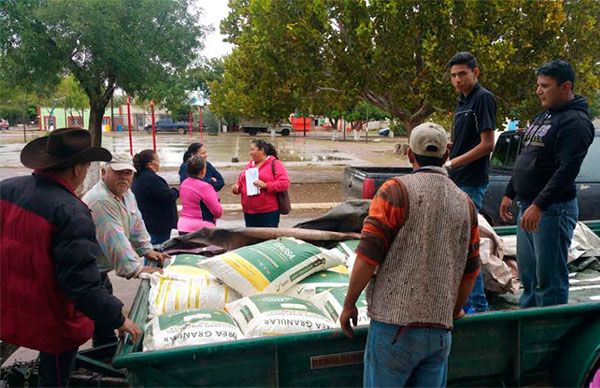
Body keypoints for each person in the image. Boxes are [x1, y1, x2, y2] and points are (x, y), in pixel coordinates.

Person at [340, 122, 481, 388]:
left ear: (409, 154)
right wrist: (451, 311)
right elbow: (471, 270)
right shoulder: (466, 203)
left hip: (394, 328)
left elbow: (368, 257)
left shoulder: (394, 191)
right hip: (439, 335)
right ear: (447, 154)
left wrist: (349, 304)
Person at [0, 128, 141, 387]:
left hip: (10, 303)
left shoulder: (6, 189)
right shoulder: (71, 211)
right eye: (86, 167)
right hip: (51, 315)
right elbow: (80, 283)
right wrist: (118, 319)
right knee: (54, 377)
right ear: (77, 169)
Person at [500, 60, 594, 308]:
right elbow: (527, 157)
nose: (538, 91)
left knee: (548, 280)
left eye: (545, 86)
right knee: (528, 278)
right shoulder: (544, 116)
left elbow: (567, 170)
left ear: (565, 87)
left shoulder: (575, 122)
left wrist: (539, 205)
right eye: (538, 85)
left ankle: (548, 336)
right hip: (528, 206)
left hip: (552, 211)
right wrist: (510, 193)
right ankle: (529, 328)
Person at [82, 153, 168, 346]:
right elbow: (115, 238)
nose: (124, 177)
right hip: (87, 271)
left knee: (105, 316)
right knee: (102, 313)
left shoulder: (126, 194)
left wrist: (147, 249)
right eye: (119, 172)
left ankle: (105, 351)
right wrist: (136, 269)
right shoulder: (101, 200)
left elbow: (136, 222)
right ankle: (102, 357)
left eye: (128, 173)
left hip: (100, 271)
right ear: (104, 172)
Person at [445, 51, 496, 313]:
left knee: (467, 247)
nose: (457, 80)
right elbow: (468, 141)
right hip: (456, 180)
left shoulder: (482, 99)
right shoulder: (461, 101)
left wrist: (453, 163)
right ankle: (466, 302)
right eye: (453, 75)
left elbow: (487, 144)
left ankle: (477, 307)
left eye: (462, 74)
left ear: (476, 72)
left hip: (471, 183)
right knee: (457, 246)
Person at [231, 139, 290, 227]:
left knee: (267, 239)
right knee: (251, 240)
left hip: (268, 213)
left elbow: (284, 183)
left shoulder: (275, 164)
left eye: (252, 149)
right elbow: (241, 180)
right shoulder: (250, 164)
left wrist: (266, 185)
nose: (249, 153)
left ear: (261, 150)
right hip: (249, 212)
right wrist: (237, 187)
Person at [131, 149, 179, 244]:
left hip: (148, 221)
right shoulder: (151, 179)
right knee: (158, 251)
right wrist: (176, 191)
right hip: (158, 225)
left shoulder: (139, 177)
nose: (159, 162)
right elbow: (168, 197)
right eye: (157, 160)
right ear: (150, 164)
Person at [177, 155, 223, 234]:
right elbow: (218, 212)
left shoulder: (184, 183)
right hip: (201, 228)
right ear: (202, 170)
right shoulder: (204, 187)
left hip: (183, 226)